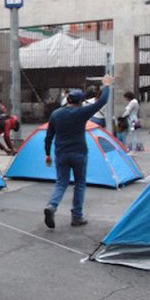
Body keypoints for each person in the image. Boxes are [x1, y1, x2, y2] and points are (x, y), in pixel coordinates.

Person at [43, 75, 113, 229]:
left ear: (68, 100)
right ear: (81, 102)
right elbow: (102, 101)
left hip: (61, 152)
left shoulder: (56, 114)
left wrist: (47, 154)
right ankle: (76, 216)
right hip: (79, 152)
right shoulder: (82, 113)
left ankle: (52, 206)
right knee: (80, 184)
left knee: (61, 182)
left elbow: (48, 136)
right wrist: (107, 85)